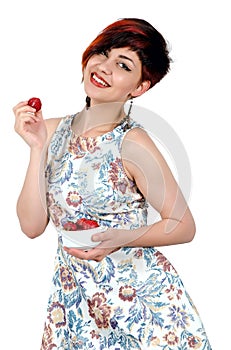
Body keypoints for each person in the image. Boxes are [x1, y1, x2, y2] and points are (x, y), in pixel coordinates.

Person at [13, 18, 211, 349]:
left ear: (139, 87)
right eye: (103, 53)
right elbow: (32, 227)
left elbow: (183, 225)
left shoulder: (133, 144)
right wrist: (36, 149)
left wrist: (122, 238)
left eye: (122, 64)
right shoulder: (47, 131)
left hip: (140, 308)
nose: (104, 67)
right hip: (75, 303)